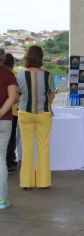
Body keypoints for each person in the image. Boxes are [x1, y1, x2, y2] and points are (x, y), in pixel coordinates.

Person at [17, 46, 55, 189]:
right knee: (43, 147)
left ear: (27, 57)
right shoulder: (49, 75)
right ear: (40, 57)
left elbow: (18, 94)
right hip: (43, 114)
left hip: (25, 114)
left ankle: (26, 183)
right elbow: (51, 95)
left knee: (27, 148)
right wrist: (46, 104)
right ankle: (43, 182)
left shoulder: (20, 75)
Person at [0, 49, 18, 209]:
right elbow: (13, 97)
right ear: (3, 58)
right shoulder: (8, 74)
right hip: (4, 121)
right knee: (0, 161)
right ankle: (2, 201)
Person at [4, 54, 18, 173]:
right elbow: (15, 97)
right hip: (11, 112)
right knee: (11, 138)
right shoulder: (12, 75)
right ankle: (9, 162)